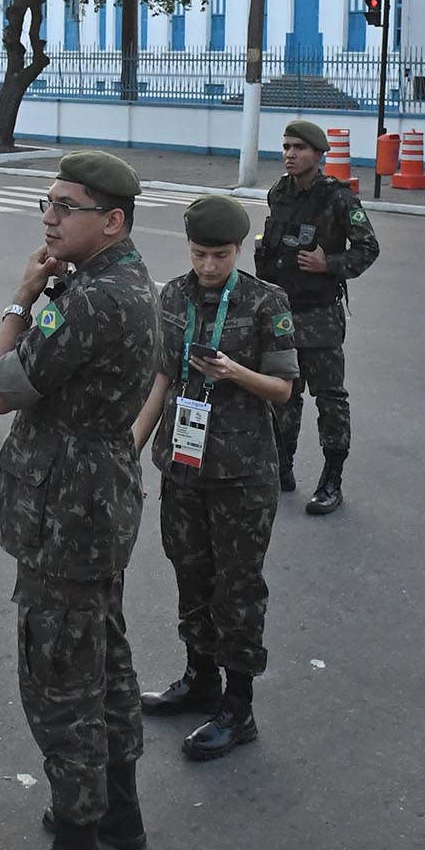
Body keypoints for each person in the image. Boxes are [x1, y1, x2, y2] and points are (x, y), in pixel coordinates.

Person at [0, 150, 160, 850]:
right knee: (104, 657)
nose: (48, 217)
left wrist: (19, 300)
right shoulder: (114, 282)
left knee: (60, 677)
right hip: (95, 497)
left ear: (111, 220)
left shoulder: (88, 300)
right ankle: (117, 810)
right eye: (46, 205)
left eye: (65, 207)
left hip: (68, 510)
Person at [132, 196, 298, 760]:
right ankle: (199, 678)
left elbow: (283, 388)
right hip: (183, 464)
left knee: (238, 588)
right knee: (190, 575)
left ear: (239, 249)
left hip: (243, 471)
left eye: (220, 256)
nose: (208, 266)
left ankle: (239, 707)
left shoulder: (266, 301)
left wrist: (234, 372)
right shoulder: (173, 295)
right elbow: (161, 375)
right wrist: (131, 448)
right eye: (200, 254)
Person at [254, 119, 380, 515]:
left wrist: (331, 263)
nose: (290, 154)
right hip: (283, 315)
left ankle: (331, 479)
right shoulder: (279, 193)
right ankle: (283, 467)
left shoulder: (338, 199)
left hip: (321, 316)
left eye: (299, 148)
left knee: (330, 400)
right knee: (284, 397)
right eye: (287, 146)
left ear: (319, 154)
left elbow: (368, 248)